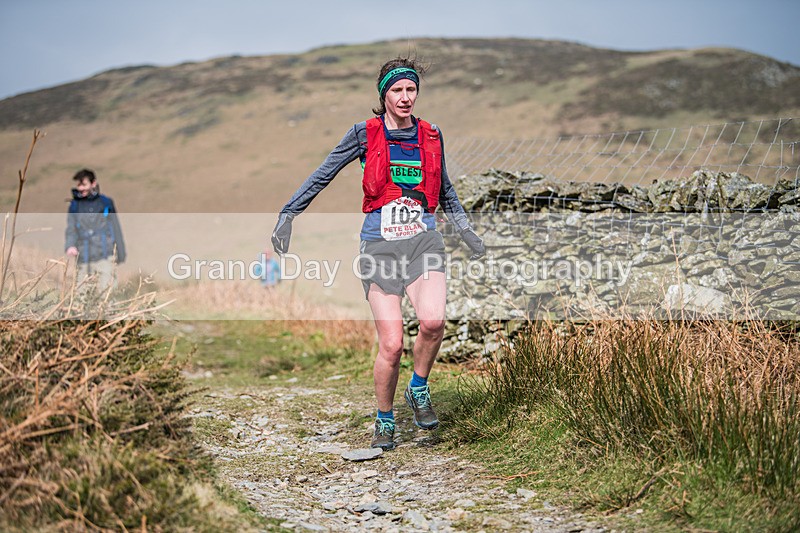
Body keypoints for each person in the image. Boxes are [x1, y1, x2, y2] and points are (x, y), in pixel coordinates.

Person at [271, 56, 485, 450]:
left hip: (423, 242)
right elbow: (323, 174)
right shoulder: (363, 134)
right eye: (397, 90)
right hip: (379, 247)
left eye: (411, 89)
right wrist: (289, 213)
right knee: (391, 344)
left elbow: (447, 191)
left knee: (434, 322)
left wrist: (466, 229)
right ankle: (384, 419)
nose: (405, 97)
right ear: (384, 94)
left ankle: (418, 388)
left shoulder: (432, 135)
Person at [65, 169, 126, 294]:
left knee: (107, 294)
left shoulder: (105, 203)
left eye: (84, 184)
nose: (81, 188)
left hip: (105, 254)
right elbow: (71, 229)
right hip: (83, 257)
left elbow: (115, 227)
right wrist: (70, 245)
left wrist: (121, 252)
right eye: (79, 184)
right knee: (81, 295)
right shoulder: (74, 206)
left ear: (93, 183)